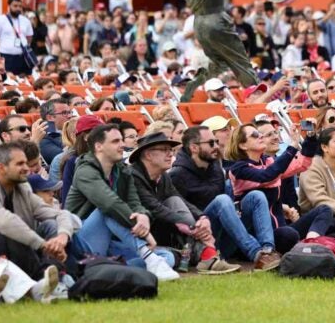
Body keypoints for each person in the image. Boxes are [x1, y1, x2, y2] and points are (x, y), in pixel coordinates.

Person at [64, 124, 180, 281]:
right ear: (99, 146)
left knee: (167, 256)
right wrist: (145, 234)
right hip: (82, 242)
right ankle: (146, 257)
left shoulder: (123, 170)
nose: (122, 145)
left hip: (111, 241)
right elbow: (110, 204)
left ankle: (109, 270)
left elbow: (135, 202)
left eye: (121, 140)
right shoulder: (85, 171)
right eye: (115, 141)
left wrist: (143, 215)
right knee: (105, 211)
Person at [170, 126, 282, 271]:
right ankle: (256, 253)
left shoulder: (216, 167)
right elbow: (176, 215)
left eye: (216, 142)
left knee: (256, 196)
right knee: (221, 200)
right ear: (194, 148)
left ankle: (267, 251)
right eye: (211, 143)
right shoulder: (177, 175)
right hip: (199, 242)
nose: (216, 146)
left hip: (225, 238)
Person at [129, 132, 238, 274]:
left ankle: (207, 255)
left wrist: (202, 218)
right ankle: (208, 255)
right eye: (164, 150)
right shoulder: (132, 176)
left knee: (175, 201)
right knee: (171, 253)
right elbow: (154, 207)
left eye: (171, 150)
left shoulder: (163, 177)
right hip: (138, 235)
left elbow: (180, 199)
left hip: (162, 231)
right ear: (148, 155)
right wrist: (192, 227)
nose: (170, 154)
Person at [0, 143, 74, 288]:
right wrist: (43, 245)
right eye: (20, 164)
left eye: (26, 163)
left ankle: (57, 275)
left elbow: (60, 214)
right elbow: (5, 222)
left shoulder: (21, 187)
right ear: (1, 167)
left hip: (24, 251)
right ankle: (48, 278)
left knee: (54, 225)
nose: (27, 169)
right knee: (12, 231)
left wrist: (62, 237)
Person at [226, 124, 333, 254]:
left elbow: (301, 164)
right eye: (255, 135)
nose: (260, 136)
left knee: (324, 210)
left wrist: (310, 137)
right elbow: (266, 176)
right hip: (255, 236)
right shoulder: (238, 169)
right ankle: (268, 250)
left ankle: (312, 244)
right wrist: (292, 147)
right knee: (288, 234)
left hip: (281, 230)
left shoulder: (268, 161)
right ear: (243, 145)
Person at [0, 0, 34, 75]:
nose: (18, 8)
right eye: (15, 6)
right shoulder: (0, 20)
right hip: (7, 57)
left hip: (23, 56)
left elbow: (29, 37)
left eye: (20, 6)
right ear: (9, 6)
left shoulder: (25, 21)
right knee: (8, 80)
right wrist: (1, 48)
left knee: (24, 79)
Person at [38, 100, 71, 165]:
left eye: (70, 112)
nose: (70, 116)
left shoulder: (72, 132)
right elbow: (64, 159)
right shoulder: (43, 138)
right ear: (50, 117)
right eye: (64, 113)